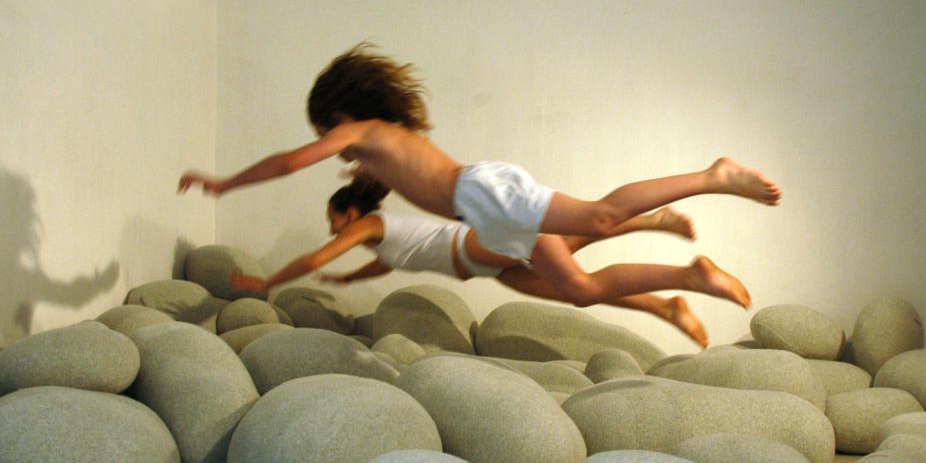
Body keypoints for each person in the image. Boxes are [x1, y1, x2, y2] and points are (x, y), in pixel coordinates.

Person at [179, 43, 781, 313]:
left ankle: (712, 175)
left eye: (325, 131)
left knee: (599, 217)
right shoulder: (380, 147)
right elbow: (392, 189)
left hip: (481, 194)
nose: (329, 144)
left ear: (337, 114)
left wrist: (224, 184)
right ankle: (692, 277)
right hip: (483, 217)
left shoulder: (360, 130)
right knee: (578, 289)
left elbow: (289, 162)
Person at [228, 174, 713, 347]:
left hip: (470, 246)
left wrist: (268, 280)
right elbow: (392, 262)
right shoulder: (378, 240)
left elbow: (316, 255)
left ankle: (650, 222)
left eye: (334, 219)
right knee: (576, 288)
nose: (333, 228)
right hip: (485, 265)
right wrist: (350, 277)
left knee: (565, 244)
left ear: (349, 212)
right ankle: (664, 305)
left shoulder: (368, 224)